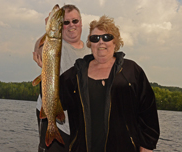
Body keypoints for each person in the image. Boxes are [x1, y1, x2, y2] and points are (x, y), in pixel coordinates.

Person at [59, 15, 160, 152]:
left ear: (115, 41)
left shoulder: (132, 71)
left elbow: (148, 111)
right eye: (95, 38)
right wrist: (47, 69)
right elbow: (55, 100)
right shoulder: (75, 74)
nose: (101, 42)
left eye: (106, 37)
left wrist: (147, 146)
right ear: (90, 44)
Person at [33, 4, 90, 152]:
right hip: (51, 113)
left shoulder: (90, 52)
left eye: (75, 21)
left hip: (78, 121)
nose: (71, 25)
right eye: (65, 22)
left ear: (81, 22)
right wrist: (48, 29)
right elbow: (38, 50)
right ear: (60, 26)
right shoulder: (55, 43)